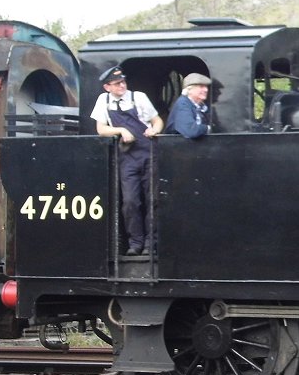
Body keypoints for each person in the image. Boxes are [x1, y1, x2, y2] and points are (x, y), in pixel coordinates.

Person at [89, 66, 163, 256]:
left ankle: (151, 243)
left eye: (123, 82)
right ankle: (135, 242)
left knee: (152, 200)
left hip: (148, 153)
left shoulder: (138, 97)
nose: (122, 86)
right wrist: (121, 130)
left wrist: (154, 130)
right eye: (117, 84)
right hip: (126, 156)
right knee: (130, 201)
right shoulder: (103, 101)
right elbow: (101, 129)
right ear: (107, 87)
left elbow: (157, 120)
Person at [164, 73, 212, 138]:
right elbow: (191, 130)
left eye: (206, 87)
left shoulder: (202, 106)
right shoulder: (182, 103)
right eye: (201, 86)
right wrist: (207, 128)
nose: (206, 90)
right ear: (189, 90)